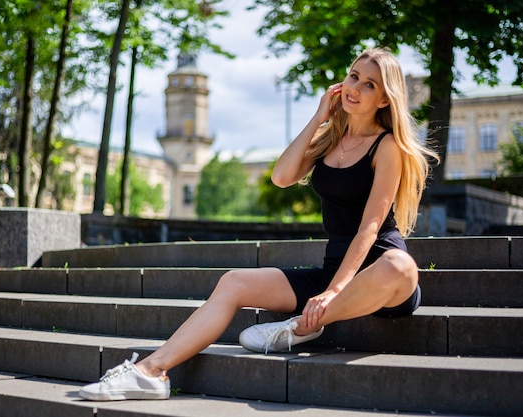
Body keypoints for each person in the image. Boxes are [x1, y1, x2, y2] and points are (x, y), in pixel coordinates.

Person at [79, 47, 439, 401]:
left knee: (400, 265)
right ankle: (151, 371)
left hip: (380, 276)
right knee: (233, 282)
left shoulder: (387, 146)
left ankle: (300, 327)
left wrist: (331, 294)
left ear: (384, 100)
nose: (355, 88)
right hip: (333, 271)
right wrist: (318, 119)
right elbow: (282, 177)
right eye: (353, 76)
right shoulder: (331, 139)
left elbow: (370, 227)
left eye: (370, 85)